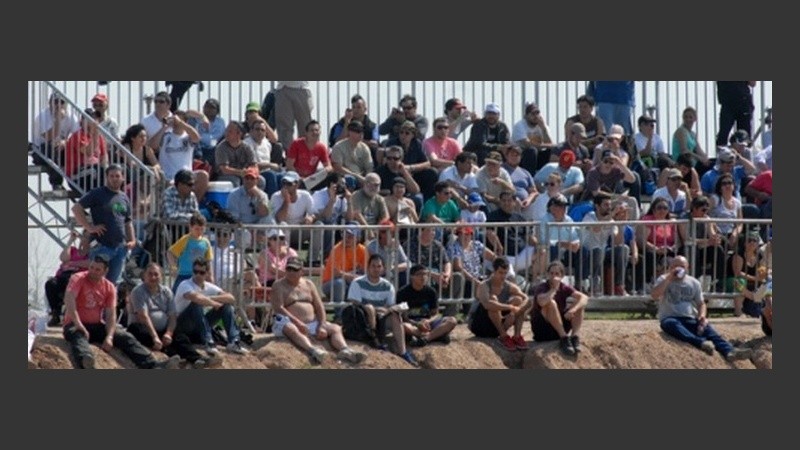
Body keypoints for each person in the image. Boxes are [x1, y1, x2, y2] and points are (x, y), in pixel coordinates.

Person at [62, 255, 180, 369]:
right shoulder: (78, 278)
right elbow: (69, 298)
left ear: (105, 271)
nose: (93, 271)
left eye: (98, 269)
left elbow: (111, 314)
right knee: (78, 336)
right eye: (91, 267)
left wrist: (110, 336)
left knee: (125, 336)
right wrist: (78, 323)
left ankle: (152, 364)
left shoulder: (109, 287)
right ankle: (86, 361)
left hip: (96, 325)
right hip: (74, 324)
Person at [651, 256, 753, 362]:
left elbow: (701, 303)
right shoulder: (663, 279)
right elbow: (654, 295)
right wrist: (669, 278)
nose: (678, 269)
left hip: (690, 317)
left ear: (687, 268)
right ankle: (700, 342)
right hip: (671, 317)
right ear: (670, 268)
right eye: (675, 266)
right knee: (671, 325)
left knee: (710, 331)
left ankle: (730, 351)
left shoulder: (694, 282)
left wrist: (702, 316)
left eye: (681, 266)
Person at [271, 256, 367, 364]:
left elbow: (319, 306)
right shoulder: (278, 285)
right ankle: (313, 350)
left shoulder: (308, 284)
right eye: (289, 269)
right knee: (290, 328)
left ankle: (345, 350)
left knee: (335, 328)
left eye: (295, 270)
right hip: (287, 321)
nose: (291, 272)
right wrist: (298, 323)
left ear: (301, 271)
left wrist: (321, 325)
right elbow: (279, 308)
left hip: (312, 322)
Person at [128, 263, 220, 368]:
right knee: (137, 330)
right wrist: (155, 337)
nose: (153, 277)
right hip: (144, 327)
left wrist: (169, 333)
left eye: (156, 274)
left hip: (163, 329)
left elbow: (172, 316)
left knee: (180, 337)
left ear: (161, 276)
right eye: (150, 274)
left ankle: (198, 359)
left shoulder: (166, 292)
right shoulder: (138, 291)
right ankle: (170, 354)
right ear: (144, 275)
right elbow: (143, 316)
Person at [72, 164, 137, 286]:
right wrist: (89, 227)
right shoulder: (97, 193)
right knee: (95, 281)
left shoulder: (124, 197)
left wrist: (132, 240)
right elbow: (76, 208)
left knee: (112, 285)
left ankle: (109, 306)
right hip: (101, 246)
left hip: (119, 247)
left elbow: (128, 222)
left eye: (117, 176)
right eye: (111, 176)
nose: (114, 178)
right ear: (107, 177)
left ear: (123, 178)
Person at [347, 254, 417, 366]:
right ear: (368, 267)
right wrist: (376, 309)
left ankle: (403, 352)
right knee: (369, 308)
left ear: (383, 268)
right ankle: (375, 340)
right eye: (373, 266)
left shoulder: (388, 286)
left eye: (379, 266)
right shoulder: (357, 283)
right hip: (363, 319)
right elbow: (355, 305)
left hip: (381, 317)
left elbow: (390, 306)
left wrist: (390, 309)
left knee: (395, 315)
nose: (376, 269)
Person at [172, 257, 249, 356]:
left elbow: (231, 298)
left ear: (207, 273)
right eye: (195, 271)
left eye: (201, 272)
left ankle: (234, 341)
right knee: (196, 304)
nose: (198, 275)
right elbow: (196, 298)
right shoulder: (185, 284)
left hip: (198, 326)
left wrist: (211, 298)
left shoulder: (209, 286)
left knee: (226, 305)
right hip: (182, 326)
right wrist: (213, 303)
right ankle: (208, 342)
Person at [467, 257, 531, 352]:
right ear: (494, 271)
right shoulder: (484, 285)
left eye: (505, 273)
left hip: (497, 325)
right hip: (479, 325)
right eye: (500, 273)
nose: (503, 276)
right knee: (493, 299)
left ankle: (517, 336)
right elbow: (487, 305)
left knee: (518, 300)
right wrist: (510, 307)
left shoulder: (508, 285)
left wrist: (514, 313)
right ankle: (503, 336)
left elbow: (527, 299)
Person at [530, 260, 590, 355]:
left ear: (562, 276)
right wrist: (554, 289)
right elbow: (541, 302)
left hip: (558, 327)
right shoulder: (542, 287)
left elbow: (584, 297)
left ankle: (574, 337)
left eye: (557, 273)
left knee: (579, 304)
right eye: (551, 273)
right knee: (551, 303)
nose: (554, 276)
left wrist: (573, 310)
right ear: (548, 274)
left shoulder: (564, 287)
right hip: (542, 330)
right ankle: (564, 338)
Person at [397, 264, 458, 347]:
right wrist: (417, 324)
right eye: (419, 274)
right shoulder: (402, 293)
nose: (423, 277)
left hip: (428, 322)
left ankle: (426, 338)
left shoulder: (431, 292)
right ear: (412, 277)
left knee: (452, 320)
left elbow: (435, 313)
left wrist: (428, 321)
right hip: (413, 324)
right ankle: (436, 335)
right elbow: (404, 317)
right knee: (403, 326)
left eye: (425, 274)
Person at [31, 92, 80, 192]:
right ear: (50, 103)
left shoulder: (70, 116)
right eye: (55, 102)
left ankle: (77, 184)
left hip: (60, 148)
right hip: (40, 150)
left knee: (75, 150)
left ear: (66, 104)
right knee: (51, 149)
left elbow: (77, 135)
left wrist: (66, 142)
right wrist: (58, 120)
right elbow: (48, 137)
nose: (58, 105)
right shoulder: (42, 116)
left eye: (61, 102)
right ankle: (56, 183)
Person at [677, 196, 726, 292]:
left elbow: (711, 235)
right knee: (692, 250)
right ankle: (693, 282)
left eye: (706, 210)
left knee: (718, 249)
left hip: (702, 247)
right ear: (694, 208)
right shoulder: (684, 218)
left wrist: (715, 239)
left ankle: (717, 282)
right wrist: (706, 241)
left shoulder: (706, 218)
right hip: (687, 248)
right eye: (703, 210)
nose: (705, 213)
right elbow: (686, 239)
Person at [45, 230, 92, 326]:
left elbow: (90, 263)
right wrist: (70, 240)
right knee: (50, 284)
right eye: (84, 236)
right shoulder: (73, 250)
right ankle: (55, 313)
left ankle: (70, 313)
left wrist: (72, 263)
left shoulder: (92, 254)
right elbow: (63, 258)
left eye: (88, 237)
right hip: (63, 275)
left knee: (70, 282)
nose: (85, 239)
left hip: (77, 277)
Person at [321, 223, 368, 305]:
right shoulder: (337, 249)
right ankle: (339, 314)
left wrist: (352, 277)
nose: (347, 239)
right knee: (340, 283)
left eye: (350, 237)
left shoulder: (363, 250)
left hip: (350, 281)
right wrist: (356, 277)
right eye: (345, 235)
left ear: (357, 238)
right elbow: (336, 274)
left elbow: (367, 273)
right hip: (330, 283)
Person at [167, 212, 214, 293]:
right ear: (190, 227)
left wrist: (210, 275)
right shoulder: (185, 239)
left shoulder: (206, 242)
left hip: (199, 275)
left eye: (201, 229)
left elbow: (208, 261)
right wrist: (174, 267)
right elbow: (170, 252)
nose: (199, 231)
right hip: (184, 275)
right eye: (196, 229)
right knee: (175, 295)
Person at [150, 110, 202, 183]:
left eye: (179, 119)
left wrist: (180, 123)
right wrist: (164, 127)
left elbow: (197, 138)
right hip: (168, 176)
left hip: (185, 175)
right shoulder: (165, 136)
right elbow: (153, 145)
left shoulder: (188, 137)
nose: (176, 122)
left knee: (203, 175)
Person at [64, 108, 108, 191]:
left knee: (117, 172)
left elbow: (104, 156)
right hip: (76, 174)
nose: (93, 121)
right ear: (82, 121)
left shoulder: (100, 137)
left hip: (93, 170)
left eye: (95, 119)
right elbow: (88, 152)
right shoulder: (77, 136)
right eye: (90, 119)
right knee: (98, 170)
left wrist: (108, 169)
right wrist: (95, 134)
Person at [729, 229, 768, 317]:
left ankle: (760, 307)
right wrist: (755, 279)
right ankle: (738, 311)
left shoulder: (759, 256)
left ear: (758, 244)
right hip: (732, 280)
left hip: (752, 282)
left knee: (767, 283)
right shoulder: (739, 254)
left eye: (754, 240)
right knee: (740, 282)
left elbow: (762, 270)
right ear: (744, 243)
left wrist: (762, 275)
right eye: (749, 240)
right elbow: (737, 273)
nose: (752, 242)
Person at [286, 120, 332, 191]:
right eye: (312, 130)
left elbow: (329, 167)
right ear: (306, 133)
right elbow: (289, 165)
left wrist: (325, 170)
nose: (315, 132)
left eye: (317, 130)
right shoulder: (296, 144)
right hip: (296, 178)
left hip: (311, 180)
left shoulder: (321, 147)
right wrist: (299, 177)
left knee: (333, 177)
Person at [511, 102, 555, 174]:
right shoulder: (519, 125)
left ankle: (547, 175)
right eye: (532, 114)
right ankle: (530, 177)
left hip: (537, 155)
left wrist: (543, 128)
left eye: (537, 113)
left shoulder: (542, 125)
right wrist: (548, 145)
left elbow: (550, 143)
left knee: (551, 151)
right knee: (531, 150)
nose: (536, 116)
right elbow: (527, 144)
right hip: (521, 156)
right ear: (526, 116)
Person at [215, 121, 261, 188]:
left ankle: (258, 198)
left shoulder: (247, 147)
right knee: (235, 181)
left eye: (230, 131)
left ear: (239, 134)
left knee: (261, 181)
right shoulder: (221, 147)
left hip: (245, 174)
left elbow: (254, 165)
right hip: (225, 176)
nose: (226, 133)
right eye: (226, 131)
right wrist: (240, 172)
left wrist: (250, 172)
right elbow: (224, 169)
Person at [331, 120, 374, 189]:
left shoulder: (364, 147)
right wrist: (356, 176)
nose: (361, 134)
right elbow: (337, 167)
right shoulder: (339, 146)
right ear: (349, 132)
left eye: (362, 131)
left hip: (362, 178)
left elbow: (369, 167)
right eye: (357, 131)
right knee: (350, 179)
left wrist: (367, 179)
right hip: (343, 178)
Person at [367, 219, 409, 287]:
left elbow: (407, 263)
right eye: (383, 232)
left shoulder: (396, 245)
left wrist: (393, 268)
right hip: (379, 274)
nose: (386, 234)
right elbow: (371, 267)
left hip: (393, 272)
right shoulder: (371, 246)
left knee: (404, 274)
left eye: (389, 232)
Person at [186, 98, 226, 168]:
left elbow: (214, 138)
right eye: (207, 106)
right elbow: (187, 113)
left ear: (217, 111)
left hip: (211, 147)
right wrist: (202, 117)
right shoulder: (197, 117)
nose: (209, 109)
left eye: (212, 107)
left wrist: (199, 137)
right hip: (197, 145)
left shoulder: (220, 122)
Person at [274, 81, 314, 150]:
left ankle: (305, 153)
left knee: (305, 126)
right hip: (283, 88)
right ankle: (288, 154)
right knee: (284, 128)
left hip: (301, 88)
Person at [716, 81, 756, 147]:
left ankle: (744, 155)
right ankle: (722, 154)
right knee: (723, 134)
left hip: (743, 100)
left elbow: (752, 83)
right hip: (727, 102)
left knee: (744, 136)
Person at [671, 106, 710, 171]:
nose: (688, 119)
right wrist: (700, 158)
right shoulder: (681, 131)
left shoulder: (693, 134)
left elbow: (699, 150)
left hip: (692, 162)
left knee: (711, 163)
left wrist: (705, 158)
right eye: (686, 117)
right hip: (681, 163)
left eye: (690, 117)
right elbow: (684, 150)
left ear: (695, 119)